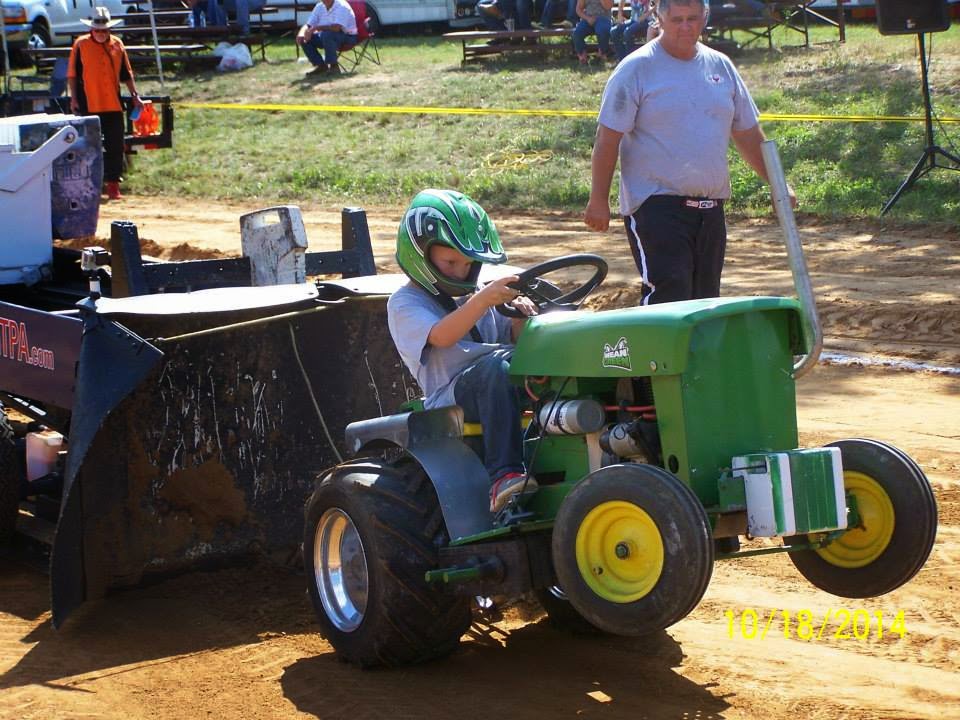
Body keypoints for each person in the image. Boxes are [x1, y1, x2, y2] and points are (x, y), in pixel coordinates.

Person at [583, 0, 795, 304]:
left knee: (705, 300)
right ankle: (658, 353)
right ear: (659, 18)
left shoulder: (720, 66)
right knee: (670, 294)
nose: (685, 27)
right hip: (656, 204)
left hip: (711, 208)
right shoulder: (636, 68)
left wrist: (778, 185)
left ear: (705, 18)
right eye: (677, 19)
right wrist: (598, 200)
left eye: (693, 19)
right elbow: (607, 139)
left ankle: (699, 354)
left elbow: (747, 133)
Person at [387, 189, 538, 513]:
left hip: (500, 375)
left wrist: (522, 318)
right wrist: (483, 300)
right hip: (451, 396)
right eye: (450, 261)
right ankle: (503, 476)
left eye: (468, 263)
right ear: (420, 255)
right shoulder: (405, 303)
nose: (460, 271)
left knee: (546, 361)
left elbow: (512, 341)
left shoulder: (481, 295)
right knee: (494, 370)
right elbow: (442, 336)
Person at [67, 7, 143, 201]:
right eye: (97, 29)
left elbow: (127, 74)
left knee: (116, 145)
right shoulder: (80, 45)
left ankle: (113, 186)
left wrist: (135, 95)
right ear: (92, 29)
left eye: (104, 29)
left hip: (113, 104)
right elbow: (73, 75)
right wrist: (74, 98)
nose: (101, 33)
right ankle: (90, 185)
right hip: (88, 104)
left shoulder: (118, 44)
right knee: (89, 147)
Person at [296, 0, 357, 75]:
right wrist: (301, 33)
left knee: (327, 35)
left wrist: (315, 29)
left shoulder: (342, 6)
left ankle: (334, 66)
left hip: (347, 36)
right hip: (326, 36)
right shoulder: (319, 6)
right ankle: (321, 66)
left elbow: (336, 28)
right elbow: (308, 24)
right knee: (304, 39)